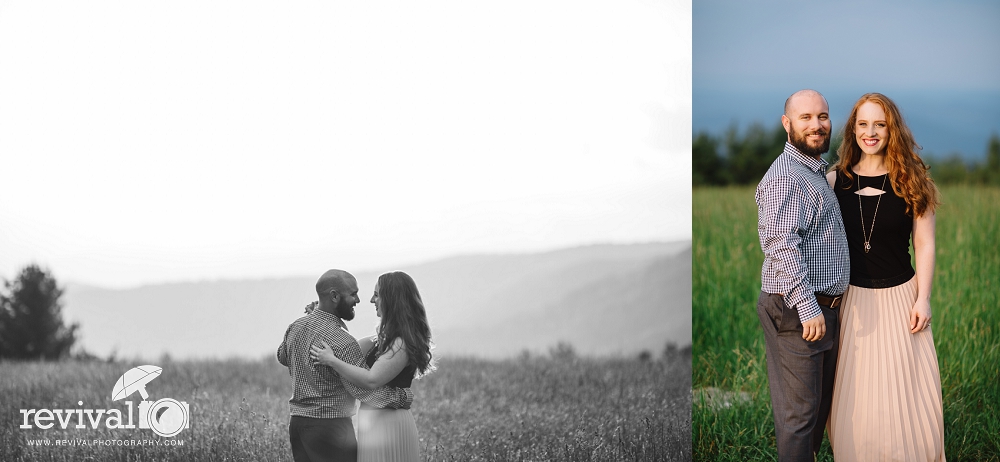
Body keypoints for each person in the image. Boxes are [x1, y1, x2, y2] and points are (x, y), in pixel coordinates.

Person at [826, 93, 945, 461]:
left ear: (891, 128)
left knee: (904, 392)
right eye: (863, 124)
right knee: (856, 396)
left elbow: (924, 244)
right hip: (853, 302)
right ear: (853, 130)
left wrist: (923, 298)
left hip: (901, 298)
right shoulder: (834, 181)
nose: (871, 132)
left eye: (879, 124)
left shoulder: (912, 180)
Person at [755, 89, 850, 461]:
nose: (816, 125)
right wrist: (809, 307)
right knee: (800, 419)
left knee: (812, 416)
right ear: (787, 123)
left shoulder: (811, 171)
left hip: (818, 310)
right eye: (805, 117)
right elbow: (780, 244)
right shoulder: (787, 177)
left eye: (822, 117)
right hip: (799, 311)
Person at [277, 269, 414, 462]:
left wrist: (311, 323)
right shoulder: (342, 341)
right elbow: (363, 390)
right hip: (331, 429)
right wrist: (402, 397)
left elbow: (283, 356)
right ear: (334, 296)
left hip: (298, 426)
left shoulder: (295, 327)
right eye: (353, 294)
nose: (358, 300)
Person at [310, 271, 433, 462]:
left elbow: (372, 379)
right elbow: (345, 348)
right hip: (372, 423)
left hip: (390, 424)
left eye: (377, 295)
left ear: (391, 300)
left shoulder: (401, 344)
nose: (371, 300)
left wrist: (332, 361)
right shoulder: (380, 340)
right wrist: (321, 316)